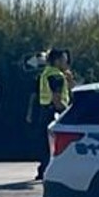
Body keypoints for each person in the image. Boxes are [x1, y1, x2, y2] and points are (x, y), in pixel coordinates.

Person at [32, 48, 73, 180]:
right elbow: (57, 98)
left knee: (45, 143)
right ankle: (49, 171)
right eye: (64, 60)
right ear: (57, 61)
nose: (66, 62)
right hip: (54, 111)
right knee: (55, 144)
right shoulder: (56, 75)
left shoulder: (46, 72)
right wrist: (67, 112)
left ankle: (43, 170)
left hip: (44, 110)